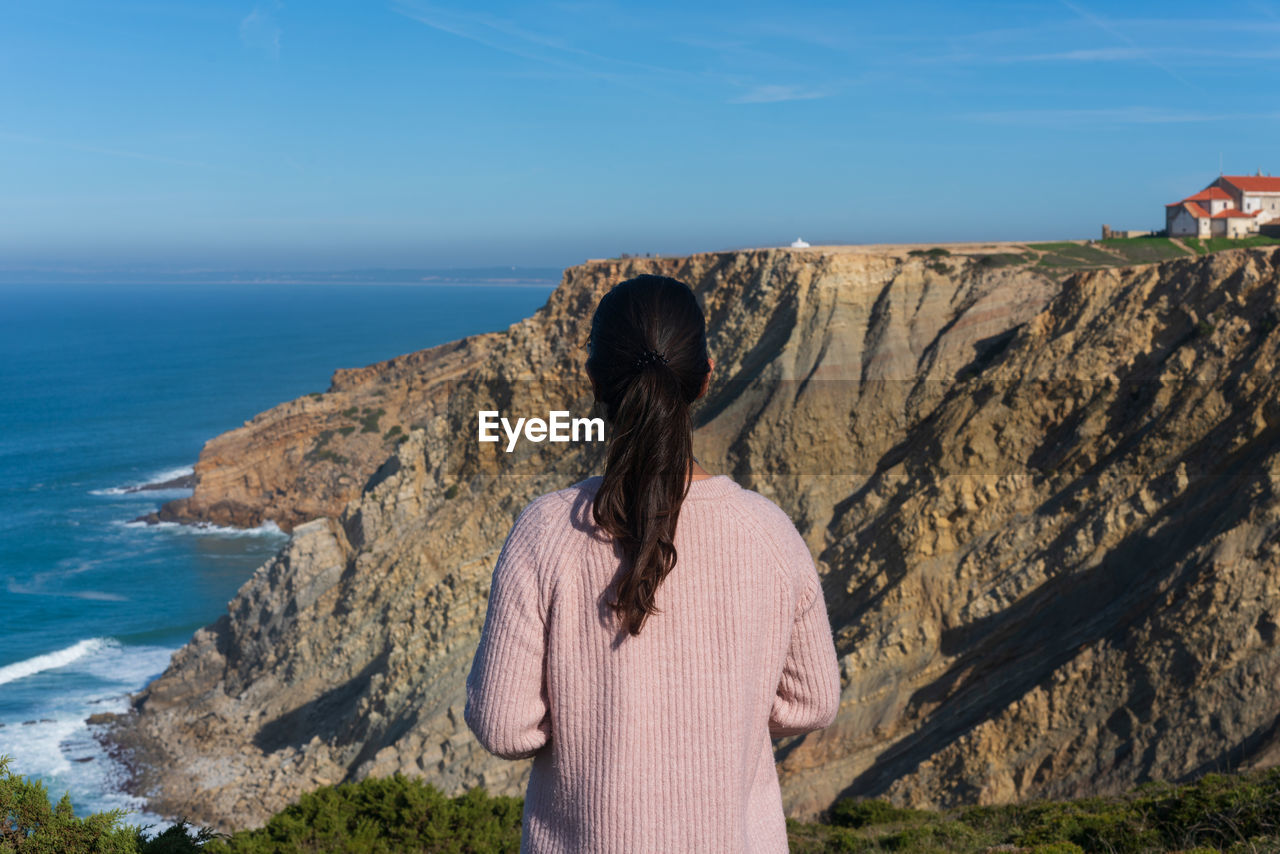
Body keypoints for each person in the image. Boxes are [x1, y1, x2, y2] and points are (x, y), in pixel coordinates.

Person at [465, 274, 841, 853]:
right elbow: (814, 700)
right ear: (705, 378)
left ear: (594, 381)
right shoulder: (766, 531)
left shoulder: (546, 531)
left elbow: (503, 724)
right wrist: (718, 717)